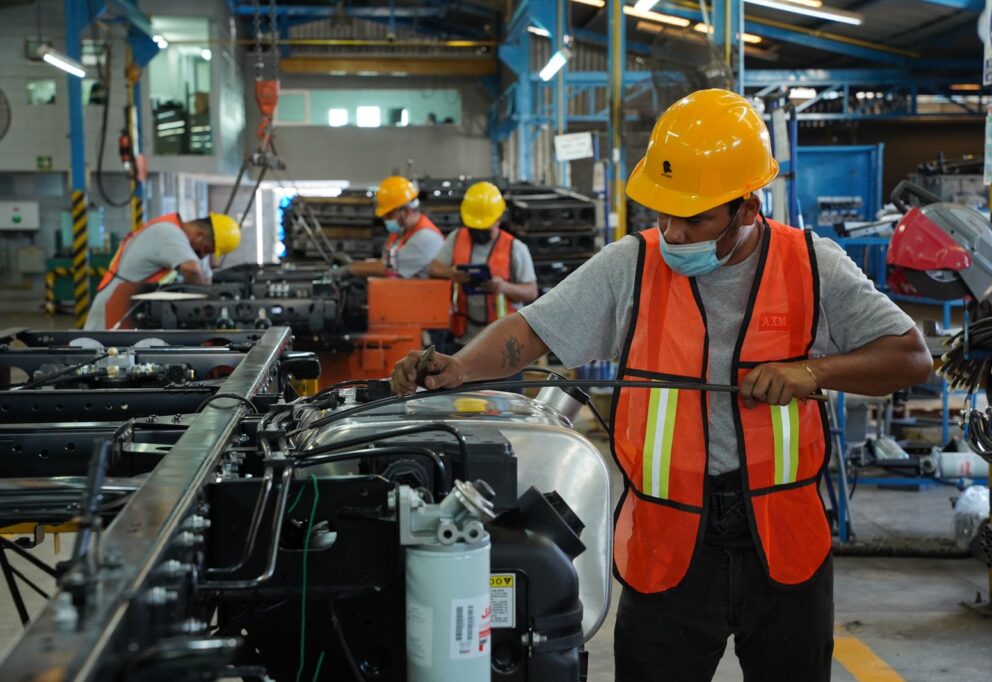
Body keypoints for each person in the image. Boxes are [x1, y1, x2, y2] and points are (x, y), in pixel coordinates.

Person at [391, 89, 933, 681]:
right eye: (662, 212)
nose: (672, 233)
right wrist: (461, 366)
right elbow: (531, 328)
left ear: (748, 209)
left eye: (693, 217)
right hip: (668, 546)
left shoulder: (813, 265)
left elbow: (910, 357)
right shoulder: (632, 265)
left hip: (784, 546)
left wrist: (813, 372)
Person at [427, 181, 538, 351]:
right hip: (463, 338)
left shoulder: (515, 248)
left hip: (504, 341)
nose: (478, 233)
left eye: (484, 228)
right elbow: (433, 268)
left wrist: (504, 287)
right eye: (473, 228)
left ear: (498, 220)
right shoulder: (456, 238)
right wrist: (452, 273)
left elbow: (531, 292)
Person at [84, 212, 240, 330]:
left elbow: (203, 274)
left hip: (128, 306)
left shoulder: (176, 232)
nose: (204, 255)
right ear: (200, 237)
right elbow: (193, 271)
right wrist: (206, 307)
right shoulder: (169, 233)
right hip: (114, 309)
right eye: (207, 250)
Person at [342, 176, 443, 279]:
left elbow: (390, 268)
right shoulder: (401, 233)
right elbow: (384, 262)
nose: (385, 219)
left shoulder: (426, 238)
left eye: (389, 215)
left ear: (405, 211)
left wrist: (350, 268)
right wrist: (353, 263)